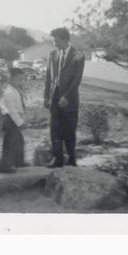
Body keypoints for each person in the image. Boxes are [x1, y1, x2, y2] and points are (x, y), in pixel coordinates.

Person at [44, 27, 85, 168]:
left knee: (69, 130)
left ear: (64, 39)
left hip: (70, 99)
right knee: (54, 130)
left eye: (56, 40)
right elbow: (48, 77)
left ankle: (72, 159)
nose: (54, 43)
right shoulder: (52, 54)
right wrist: (46, 97)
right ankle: (58, 159)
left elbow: (76, 80)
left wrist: (66, 96)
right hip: (54, 98)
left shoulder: (78, 55)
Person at [0, 67, 29, 173]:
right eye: (18, 79)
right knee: (10, 143)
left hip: (14, 119)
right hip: (10, 120)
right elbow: (12, 111)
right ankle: (4, 166)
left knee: (19, 142)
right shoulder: (9, 92)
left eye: (22, 79)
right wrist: (20, 123)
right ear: (10, 79)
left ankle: (19, 162)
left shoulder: (14, 90)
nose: (21, 82)